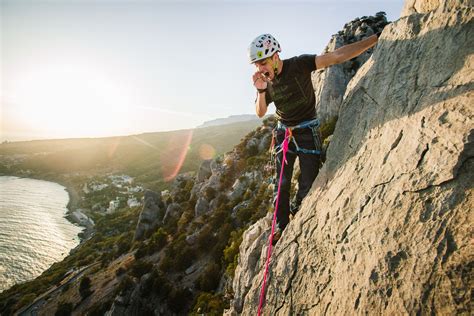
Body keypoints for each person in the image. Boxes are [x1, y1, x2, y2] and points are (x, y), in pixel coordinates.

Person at [248, 33, 380, 244]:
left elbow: (336, 56)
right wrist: (261, 92)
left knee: (308, 183)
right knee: (280, 184)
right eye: (256, 65)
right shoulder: (265, 82)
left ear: (275, 56)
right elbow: (260, 112)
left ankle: (298, 209)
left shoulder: (299, 64)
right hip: (284, 132)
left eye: (262, 62)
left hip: (307, 130)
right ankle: (282, 225)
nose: (259, 69)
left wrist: (374, 39)